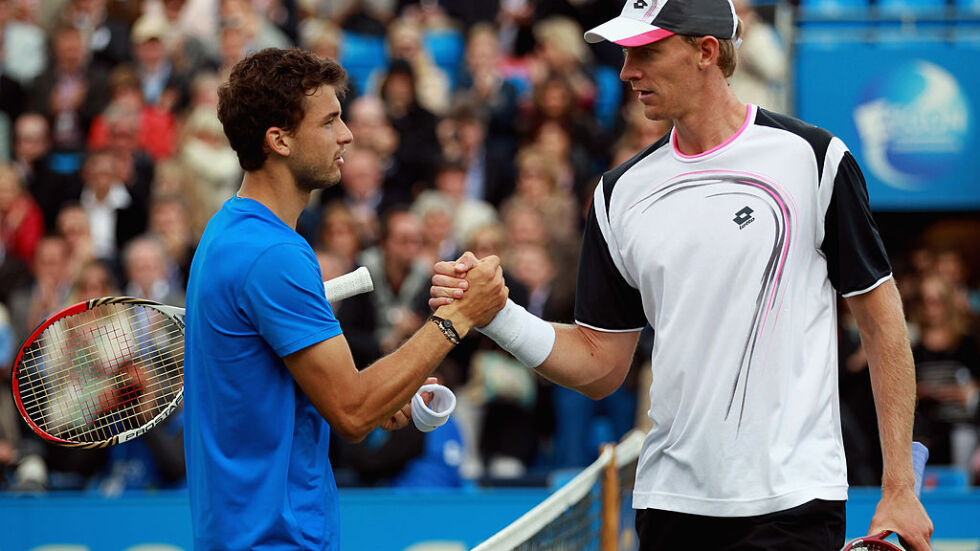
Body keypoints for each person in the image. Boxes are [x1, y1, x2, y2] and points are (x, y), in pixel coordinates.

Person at [430, 1, 933, 550]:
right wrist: (498, 315)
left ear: (706, 51)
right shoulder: (617, 194)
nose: (626, 71)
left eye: (645, 51)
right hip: (668, 506)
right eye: (624, 55)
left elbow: (884, 326)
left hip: (793, 502)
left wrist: (899, 487)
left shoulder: (813, 159)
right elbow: (600, 367)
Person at [183, 48, 506, 550]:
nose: (348, 134)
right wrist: (458, 317)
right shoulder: (274, 253)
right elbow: (352, 413)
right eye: (330, 120)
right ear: (280, 139)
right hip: (276, 539)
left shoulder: (229, 231)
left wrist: (388, 391)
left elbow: (320, 393)